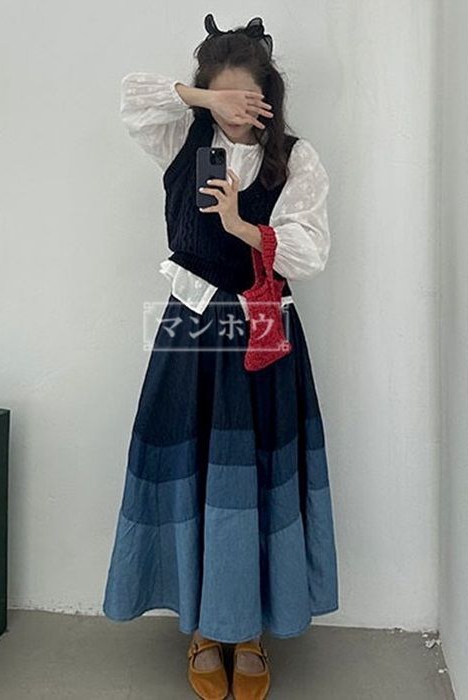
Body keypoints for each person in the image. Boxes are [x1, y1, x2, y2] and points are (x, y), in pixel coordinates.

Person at [102, 13, 339, 700]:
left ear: (269, 96)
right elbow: (133, 95)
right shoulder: (183, 137)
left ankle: (250, 629)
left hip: (262, 333)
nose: (237, 114)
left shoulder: (294, 158)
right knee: (196, 465)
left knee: (254, 472)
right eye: (225, 99)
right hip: (190, 328)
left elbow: (310, 253)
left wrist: (242, 225)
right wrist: (204, 100)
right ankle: (206, 626)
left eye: (248, 99)